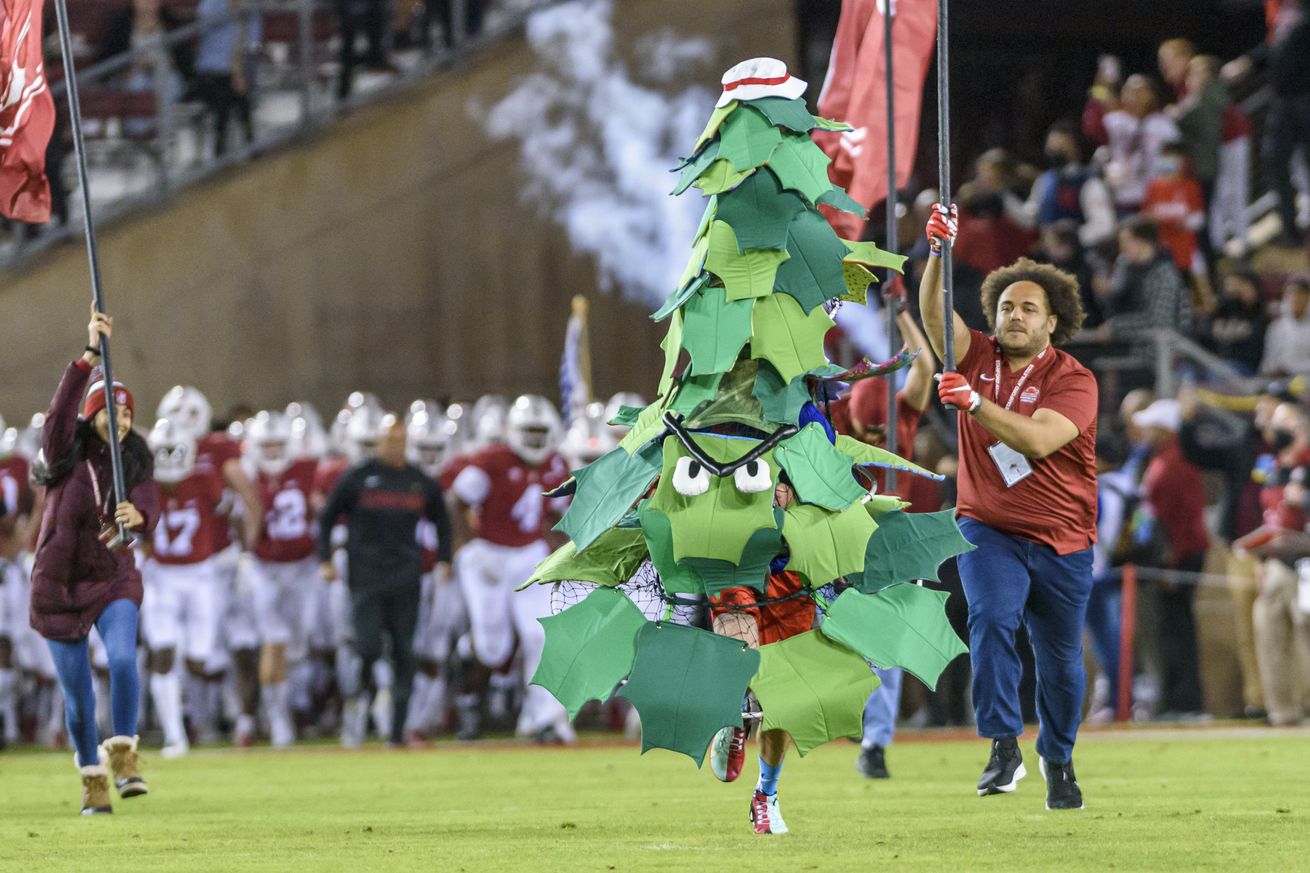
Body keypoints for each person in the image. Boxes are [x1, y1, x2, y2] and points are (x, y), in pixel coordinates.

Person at [920, 205, 1097, 810]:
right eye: (1005, 307)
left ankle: (1060, 758)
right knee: (990, 619)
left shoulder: (1075, 380)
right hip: (988, 526)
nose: (1014, 316)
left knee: (1061, 664)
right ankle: (1002, 744)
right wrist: (939, 253)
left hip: (1063, 538)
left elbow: (1039, 439)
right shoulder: (978, 356)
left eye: (1028, 308)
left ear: (1053, 320)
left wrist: (973, 405)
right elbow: (934, 315)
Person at [30, 307, 158, 814]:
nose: (121, 421)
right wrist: (88, 355)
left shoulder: (136, 459)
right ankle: (91, 776)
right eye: (111, 411)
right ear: (93, 414)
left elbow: (150, 501)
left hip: (112, 577)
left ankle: (124, 750)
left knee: (124, 659)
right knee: (79, 699)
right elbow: (60, 412)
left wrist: (140, 516)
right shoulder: (66, 452)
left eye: (127, 413)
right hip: (58, 589)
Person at [318, 414, 452, 747]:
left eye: (400, 441)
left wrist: (445, 559)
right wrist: (324, 558)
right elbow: (327, 517)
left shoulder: (419, 481)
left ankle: (397, 731)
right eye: (389, 440)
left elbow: (443, 521)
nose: (395, 447)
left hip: (406, 577)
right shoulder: (358, 478)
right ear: (379, 442)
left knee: (405, 652)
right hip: (366, 577)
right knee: (367, 647)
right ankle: (360, 702)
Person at [448, 395, 571, 743]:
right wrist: (467, 546)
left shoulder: (557, 465)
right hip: (488, 552)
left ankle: (545, 719)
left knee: (540, 635)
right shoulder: (491, 461)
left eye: (540, 431)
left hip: (529, 554)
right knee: (492, 648)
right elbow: (457, 502)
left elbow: (555, 513)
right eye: (528, 431)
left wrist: (555, 547)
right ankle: (466, 652)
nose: (534, 439)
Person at [141, 418, 228, 759]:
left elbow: (226, 515)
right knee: (163, 652)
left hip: (202, 573)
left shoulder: (205, 478)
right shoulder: (143, 484)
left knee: (198, 660)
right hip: (162, 574)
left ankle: (200, 721)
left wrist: (233, 552)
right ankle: (175, 736)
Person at [245, 411, 322, 747]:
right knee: (274, 642)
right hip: (265, 567)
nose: (274, 452)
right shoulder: (245, 473)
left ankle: (295, 707)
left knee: (301, 644)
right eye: (267, 445)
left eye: (279, 444)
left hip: (305, 567)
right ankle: (279, 722)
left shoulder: (308, 469)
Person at [1132, 399, 1208, 719]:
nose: (1144, 431)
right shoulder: (1163, 458)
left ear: (1163, 429)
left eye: (1151, 425)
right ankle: (1178, 699)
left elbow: (1183, 521)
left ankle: (1185, 701)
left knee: (1178, 630)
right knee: (1173, 629)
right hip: (1174, 556)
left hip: (1179, 557)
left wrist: (1172, 563)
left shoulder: (1173, 463)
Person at [1243, 401, 1310, 725]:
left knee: (1305, 639)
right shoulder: (1274, 467)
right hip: (1275, 564)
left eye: (1282, 424)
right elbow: (1271, 515)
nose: (1273, 430)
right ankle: (1283, 713)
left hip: (1305, 564)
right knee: (1270, 637)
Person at [1020, 121, 1116, 248]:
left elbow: (1105, 226)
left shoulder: (1088, 182)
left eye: (1061, 147)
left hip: (1082, 257)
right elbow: (1030, 216)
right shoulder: (1044, 181)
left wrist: (1074, 238)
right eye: (1051, 147)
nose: (1054, 152)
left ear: (1075, 148)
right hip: (1051, 258)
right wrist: (1006, 200)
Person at [1101, 216, 1193, 340]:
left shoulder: (1163, 274)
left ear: (1140, 241)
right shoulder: (1126, 271)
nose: (1121, 248)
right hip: (1128, 349)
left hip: (1159, 355)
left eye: (1124, 242)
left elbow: (1159, 321)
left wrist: (1114, 326)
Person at [1102, 75, 1180, 215]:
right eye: (1128, 90)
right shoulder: (1114, 122)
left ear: (1152, 95)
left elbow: (1173, 162)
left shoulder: (1164, 125)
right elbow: (1091, 128)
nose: (1132, 95)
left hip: (1152, 199)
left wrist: (1163, 194)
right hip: (1123, 198)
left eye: (1139, 90)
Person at [1141, 142, 1206, 278]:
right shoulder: (1154, 187)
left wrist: (1183, 222)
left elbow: (1199, 218)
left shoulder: (1190, 186)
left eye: (1174, 157)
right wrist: (1153, 219)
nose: (1170, 161)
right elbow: (1146, 215)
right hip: (1160, 251)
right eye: (1166, 157)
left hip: (1185, 251)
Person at [1259, 278, 1310, 377]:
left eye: (1301, 297)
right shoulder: (1276, 327)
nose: (1295, 300)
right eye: (1292, 296)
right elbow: (1268, 360)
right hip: (1276, 380)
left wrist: (1290, 369)